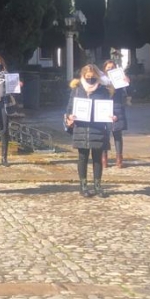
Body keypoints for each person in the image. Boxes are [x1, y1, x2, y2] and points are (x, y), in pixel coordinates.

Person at [64, 64, 117, 197]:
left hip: (98, 128)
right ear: (83, 76)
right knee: (82, 157)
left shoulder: (104, 91)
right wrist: (70, 116)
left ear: (97, 77)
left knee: (97, 158)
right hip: (81, 128)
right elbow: (69, 108)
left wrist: (112, 116)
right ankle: (83, 186)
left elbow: (110, 108)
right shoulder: (76, 90)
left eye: (93, 77)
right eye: (88, 77)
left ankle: (98, 186)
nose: (90, 79)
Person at [101, 59, 130, 168]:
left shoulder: (120, 79)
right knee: (104, 135)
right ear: (104, 69)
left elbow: (128, 93)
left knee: (117, 134)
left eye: (112, 68)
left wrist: (127, 82)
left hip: (117, 107)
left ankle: (119, 159)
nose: (110, 70)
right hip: (103, 108)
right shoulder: (101, 81)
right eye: (108, 68)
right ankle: (104, 159)